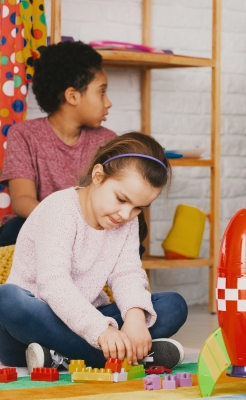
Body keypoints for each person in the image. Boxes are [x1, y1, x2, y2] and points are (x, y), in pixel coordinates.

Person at [0, 133, 188, 371]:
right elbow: (53, 284)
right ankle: (117, 357)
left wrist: (135, 317)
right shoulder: (60, 209)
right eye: (121, 199)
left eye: (138, 208)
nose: (125, 214)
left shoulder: (126, 222)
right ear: (98, 176)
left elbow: (127, 273)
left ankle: (61, 357)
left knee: (173, 305)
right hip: (35, 323)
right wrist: (101, 331)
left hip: (88, 316)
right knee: (7, 299)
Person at [0, 40, 116, 246]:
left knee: (128, 238)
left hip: (90, 228)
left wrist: (82, 227)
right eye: (101, 92)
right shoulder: (23, 135)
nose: (108, 102)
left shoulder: (107, 141)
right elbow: (22, 200)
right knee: (12, 231)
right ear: (72, 96)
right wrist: (62, 223)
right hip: (40, 223)